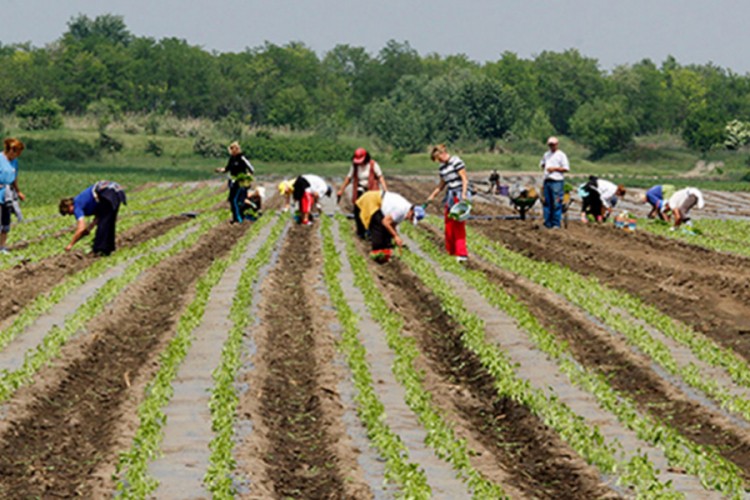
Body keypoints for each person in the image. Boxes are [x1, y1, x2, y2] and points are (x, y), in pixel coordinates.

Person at [425, 144, 470, 262]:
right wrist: (432, 196)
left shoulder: (456, 161)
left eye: (439, 158)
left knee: (458, 225)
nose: (439, 161)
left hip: (459, 195)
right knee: (448, 223)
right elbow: (442, 184)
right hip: (450, 196)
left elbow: (464, 179)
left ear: (443, 153)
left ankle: (462, 253)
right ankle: (451, 251)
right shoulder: (442, 168)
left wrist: (464, 196)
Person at [59, 180, 127, 256]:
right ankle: (108, 249)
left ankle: (99, 250)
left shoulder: (77, 205)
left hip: (107, 192)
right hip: (117, 191)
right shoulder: (85, 201)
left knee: (103, 224)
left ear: (69, 206)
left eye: (68, 212)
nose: (71, 214)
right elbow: (99, 216)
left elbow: (81, 228)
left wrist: (70, 244)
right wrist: (89, 228)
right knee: (109, 222)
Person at [355, 190, 425, 263]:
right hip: (372, 200)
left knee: (387, 233)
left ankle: (385, 252)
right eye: (411, 217)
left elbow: (392, 224)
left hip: (378, 203)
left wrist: (396, 236)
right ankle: (376, 253)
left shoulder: (405, 212)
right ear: (411, 211)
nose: (410, 219)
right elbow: (385, 222)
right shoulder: (401, 209)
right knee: (378, 229)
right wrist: (395, 236)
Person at [337, 148, 388, 238]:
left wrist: (385, 190)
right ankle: (361, 231)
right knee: (358, 210)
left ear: (366, 158)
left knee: (372, 211)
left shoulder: (373, 164)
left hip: (372, 190)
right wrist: (341, 189)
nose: (359, 163)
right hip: (360, 189)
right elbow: (349, 178)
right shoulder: (355, 166)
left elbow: (380, 177)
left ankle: (372, 231)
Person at [215, 141, 255, 223]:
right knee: (232, 200)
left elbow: (251, 169)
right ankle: (236, 217)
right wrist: (219, 170)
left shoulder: (241, 158)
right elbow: (227, 169)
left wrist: (248, 175)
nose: (230, 152)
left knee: (236, 200)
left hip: (241, 181)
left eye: (231, 150)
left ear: (235, 150)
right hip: (233, 181)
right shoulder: (231, 159)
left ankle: (240, 218)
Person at [0, 138, 26, 254]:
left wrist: (18, 191)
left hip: (8, 194)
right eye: (17, 152)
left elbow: (14, 178)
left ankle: (2, 247)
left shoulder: (14, 162)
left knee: (6, 221)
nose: (18, 156)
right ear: (11, 150)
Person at [539, 136, 570, 228]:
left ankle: (556, 223)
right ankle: (547, 223)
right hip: (547, 180)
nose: (551, 146)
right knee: (547, 202)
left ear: (557, 144)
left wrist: (555, 169)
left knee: (556, 203)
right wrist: (545, 167)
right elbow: (542, 164)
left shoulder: (561, 155)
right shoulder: (546, 154)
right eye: (550, 145)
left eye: (553, 145)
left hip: (556, 181)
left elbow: (566, 168)